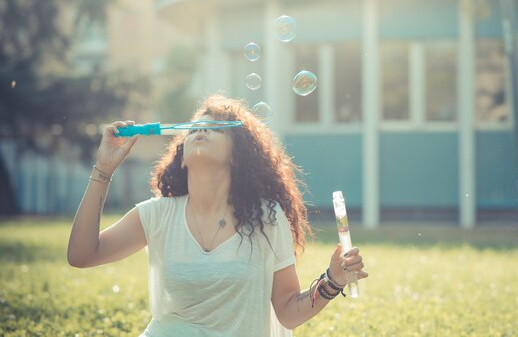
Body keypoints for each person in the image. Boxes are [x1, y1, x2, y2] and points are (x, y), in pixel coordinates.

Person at [67, 94, 368, 336]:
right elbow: (81, 255)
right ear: (181, 157)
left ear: (238, 156)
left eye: (214, 127)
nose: (201, 129)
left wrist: (333, 281)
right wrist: (103, 170)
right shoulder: (157, 215)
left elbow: (288, 311)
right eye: (195, 127)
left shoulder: (267, 218)